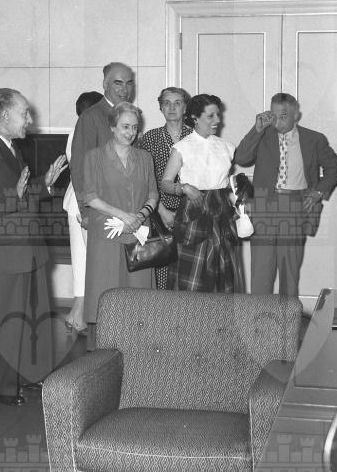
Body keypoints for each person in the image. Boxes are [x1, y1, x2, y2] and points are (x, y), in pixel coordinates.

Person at [0, 88, 67, 406]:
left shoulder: (9, 146)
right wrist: (16, 195)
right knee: (5, 321)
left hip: (26, 249)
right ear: (6, 115)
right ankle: (3, 386)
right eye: (25, 113)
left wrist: (44, 183)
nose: (29, 119)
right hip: (2, 253)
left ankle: (27, 375)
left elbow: (21, 193)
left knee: (30, 318)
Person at [235, 93, 337, 297]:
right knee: (260, 271)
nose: (277, 121)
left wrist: (318, 192)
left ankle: (288, 316)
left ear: (296, 115)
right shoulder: (262, 135)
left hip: (295, 206)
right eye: (273, 116)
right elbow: (241, 157)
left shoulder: (314, 139)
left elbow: (334, 168)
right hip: (263, 206)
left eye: (283, 116)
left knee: (289, 272)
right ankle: (258, 317)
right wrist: (256, 129)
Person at [83, 102, 157, 326]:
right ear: (112, 127)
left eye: (134, 127)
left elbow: (153, 194)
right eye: (125, 127)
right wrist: (124, 216)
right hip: (106, 234)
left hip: (138, 234)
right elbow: (90, 197)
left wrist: (139, 217)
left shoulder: (145, 158)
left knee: (140, 300)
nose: (130, 133)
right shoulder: (94, 157)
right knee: (105, 293)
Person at [160, 94, 243, 292]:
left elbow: (225, 182)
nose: (217, 120)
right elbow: (165, 183)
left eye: (218, 115)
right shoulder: (182, 148)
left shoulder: (227, 147)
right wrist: (184, 188)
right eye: (211, 116)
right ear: (195, 118)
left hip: (221, 213)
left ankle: (221, 314)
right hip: (193, 213)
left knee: (223, 274)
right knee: (192, 278)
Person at [138, 87, 192, 289]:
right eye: (166, 103)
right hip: (160, 212)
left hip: (192, 212)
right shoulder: (150, 138)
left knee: (189, 270)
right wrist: (161, 211)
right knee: (163, 270)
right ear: (160, 107)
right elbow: (144, 179)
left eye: (177, 103)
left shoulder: (195, 137)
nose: (171, 107)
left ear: (185, 108)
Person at [70, 62, 135, 215]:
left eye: (129, 83)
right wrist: (85, 211)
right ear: (105, 84)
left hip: (128, 206)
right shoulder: (91, 117)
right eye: (118, 83)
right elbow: (79, 167)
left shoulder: (132, 116)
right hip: (100, 208)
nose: (124, 89)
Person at [62, 91, 102, 333]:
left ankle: (77, 314)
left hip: (78, 202)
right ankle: (81, 315)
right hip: (85, 203)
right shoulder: (85, 132)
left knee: (82, 260)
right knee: (88, 261)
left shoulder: (76, 131)